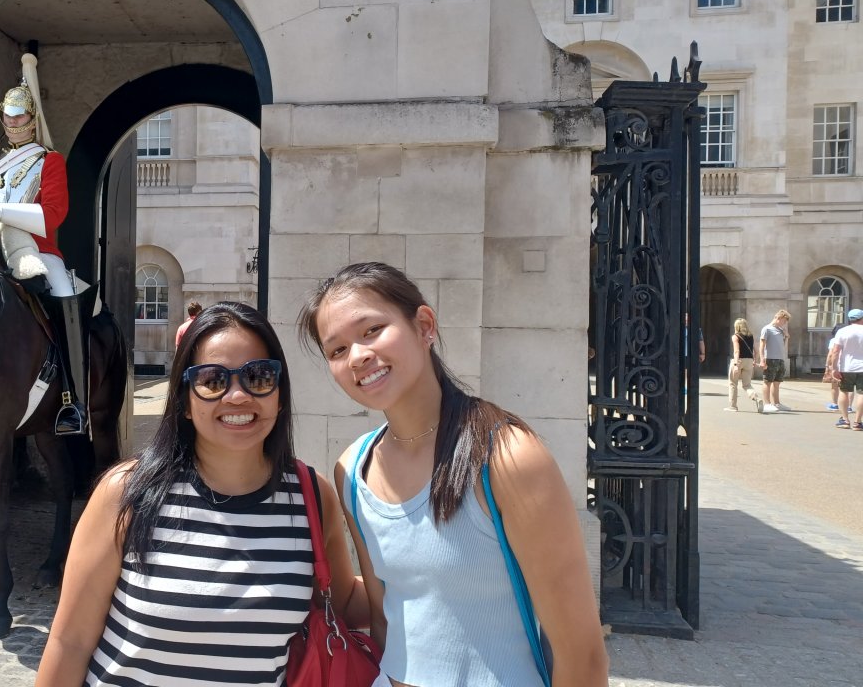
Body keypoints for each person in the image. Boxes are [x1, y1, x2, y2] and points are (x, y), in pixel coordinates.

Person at [298, 262, 608, 687]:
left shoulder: (506, 456)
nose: (358, 356)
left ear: (424, 326)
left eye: (372, 330)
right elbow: (385, 617)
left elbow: (583, 656)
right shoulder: (353, 470)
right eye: (337, 350)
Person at [36, 301, 369, 686]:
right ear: (185, 402)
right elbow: (70, 642)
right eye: (212, 380)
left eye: (259, 376)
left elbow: (345, 601)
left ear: (280, 395)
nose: (238, 396)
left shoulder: (312, 495)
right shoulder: (126, 492)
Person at [0, 53, 88, 435]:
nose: (13, 123)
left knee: (64, 295)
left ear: (33, 119)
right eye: (8, 116)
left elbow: (52, 216)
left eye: (20, 117)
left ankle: (73, 399)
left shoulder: (49, 161)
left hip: (40, 251)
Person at [825, 308, 863, 430]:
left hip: (846, 367)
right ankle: (858, 422)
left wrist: (834, 368)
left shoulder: (842, 331)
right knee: (861, 394)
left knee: (844, 392)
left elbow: (835, 351)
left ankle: (845, 420)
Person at [758, 309, 792, 412]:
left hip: (780, 359)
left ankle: (777, 403)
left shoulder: (781, 330)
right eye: (784, 321)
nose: (784, 323)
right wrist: (762, 359)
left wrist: (786, 336)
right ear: (778, 318)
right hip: (770, 358)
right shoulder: (767, 329)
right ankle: (767, 404)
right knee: (767, 381)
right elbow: (761, 345)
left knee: (777, 382)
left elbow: (783, 346)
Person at [726, 318, 763, 413]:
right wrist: (755, 360)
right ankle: (757, 398)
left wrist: (735, 365)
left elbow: (736, 351)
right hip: (749, 361)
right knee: (747, 385)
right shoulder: (751, 336)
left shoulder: (735, 336)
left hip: (739, 360)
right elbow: (757, 350)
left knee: (733, 383)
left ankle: (733, 406)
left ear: (736, 326)